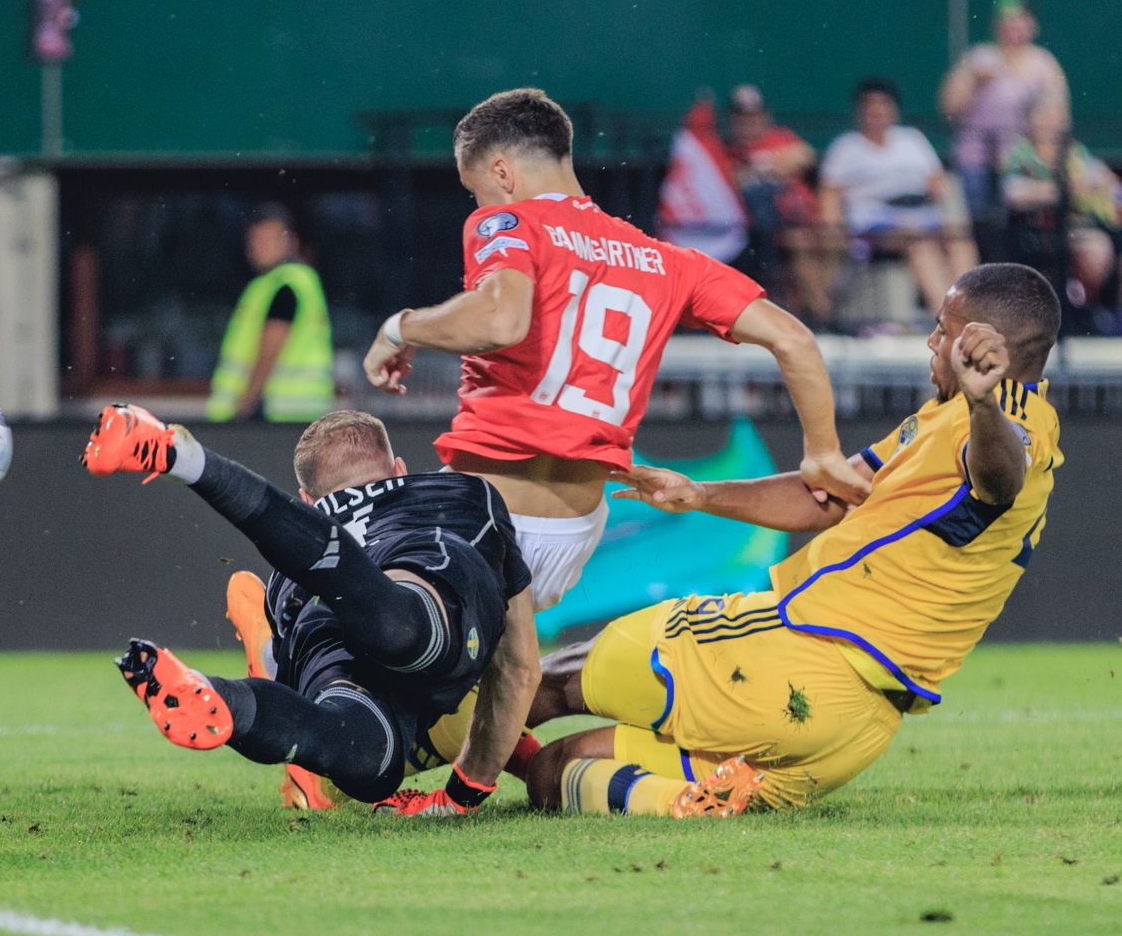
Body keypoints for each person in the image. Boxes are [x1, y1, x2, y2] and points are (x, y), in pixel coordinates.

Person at [356, 87, 869, 812]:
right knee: (493, 664)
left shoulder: (509, 221)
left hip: (481, 510)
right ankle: (464, 792)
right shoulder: (664, 259)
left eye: (476, 190)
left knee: (350, 595)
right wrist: (822, 451)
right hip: (572, 530)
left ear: (501, 171)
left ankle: (305, 735)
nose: (479, 205)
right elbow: (793, 338)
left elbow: (501, 319)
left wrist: (401, 327)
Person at [523, 263, 1062, 818]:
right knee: (554, 772)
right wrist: (702, 495)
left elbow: (1000, 481)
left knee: (554, 679)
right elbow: (829, 496)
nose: (931, 341)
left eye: (944, 330)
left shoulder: (1010, 423)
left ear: (981, 342)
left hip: (802, 652)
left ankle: (458, 783)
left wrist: (983, 403)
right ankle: (683, 804)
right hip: (854, 727)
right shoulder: (947, 420)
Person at [84, 405, 538, 812]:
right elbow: (519, 669)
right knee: (404, 633)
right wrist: (462, 796)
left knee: (356, 750)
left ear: (306, 502)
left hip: (315, 612)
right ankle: (189, 463)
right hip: (417, 586)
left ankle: (224, 697)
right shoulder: (465, 492)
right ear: (398, 470)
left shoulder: (283, 575)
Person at [820, 77, 979, 314]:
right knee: (920, 244)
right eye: (871, 105)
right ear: (859, 111)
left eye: (884, 105)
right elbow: (829, 197)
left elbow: (937, 183)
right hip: (874, 223)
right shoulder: (845, 147)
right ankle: (948, 315)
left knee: (959, 240)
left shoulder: (911, 139)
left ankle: (971, 307)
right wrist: (834, 235)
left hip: (919, 212)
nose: (877, 111)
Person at [941, 0, 1070, 228]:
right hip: (975, 157)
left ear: (1032, 25)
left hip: (1023, 159)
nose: (1013, 27)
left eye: (1020, 20)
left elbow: (1058, 112)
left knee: (1022, 219)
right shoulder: (978, 57)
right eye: (1007, 21)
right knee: (979, 222)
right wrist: (974, 81)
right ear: (997, 25)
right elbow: (948, 107)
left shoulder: (1043, 62)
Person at [205, 204, 334, 422]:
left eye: (269, 240)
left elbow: (273, 341)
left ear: (292, 242)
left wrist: (245, 403)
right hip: (293, 414)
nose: (261, 247)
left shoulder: (287, 284)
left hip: (279, 416)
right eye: (256, 240)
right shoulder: (273, 283)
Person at [1002, 99, 1120, 327]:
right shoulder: (1019, 153)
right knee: (1095, 250)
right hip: (1037, 231)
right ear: (1030, 120)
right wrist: (1063, 190)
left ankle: (1102, 315)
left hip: (1083, 225)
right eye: (1043, 116)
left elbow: (1105, 182)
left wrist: (1102, 185)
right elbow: (1013, 193)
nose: (1050, 122)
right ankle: (1078, 313)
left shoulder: (1075, 152)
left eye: (1056, 116)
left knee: (1103, 246)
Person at [726, 84, 834, 323]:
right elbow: (732, 177)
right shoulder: (729, 151)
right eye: (742, 118)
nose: (748, 123)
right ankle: (824, 315)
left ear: (765, 116)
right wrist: (774, 165)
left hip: (810, 221)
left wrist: (758, 167)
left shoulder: (780, 137)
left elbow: (803, 156)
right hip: (771, 232)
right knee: (799, 243)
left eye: (754, 116)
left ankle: (818, 310)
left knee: (833, 241)